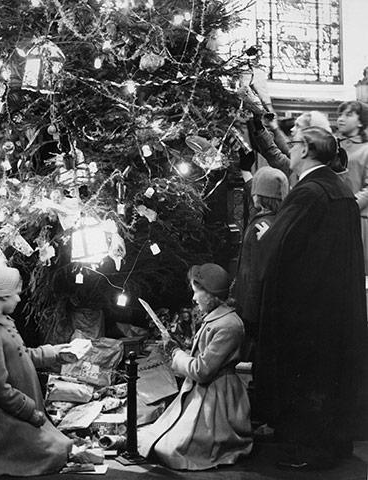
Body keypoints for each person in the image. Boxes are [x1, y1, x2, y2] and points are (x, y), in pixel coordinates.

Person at [256, 126, 368, 470]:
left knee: (305, 376)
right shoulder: (340, 188)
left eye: (293, 145)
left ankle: (307, 451)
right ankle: (334, 445)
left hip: (307, 307)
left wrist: (266, 235)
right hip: (335, 303)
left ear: (306, 149)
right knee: (331, 376)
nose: (288, 150)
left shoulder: (309, 192)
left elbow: (283, 243)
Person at [0, 266, 74, 476]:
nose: (19, 300)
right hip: (2, 420)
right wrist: (30, 412)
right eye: (16, 294)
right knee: (56, 452)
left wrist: (56, 353)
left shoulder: (2, 323)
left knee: (64, 446)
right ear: (2, 296)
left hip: (17, 413)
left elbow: (22, 355)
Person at [138, 263, 252, 470]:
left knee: (171, 449)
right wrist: (178, 348)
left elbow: (202, 371)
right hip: (203, 394)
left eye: (196, 291)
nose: (193, 298)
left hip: (217, 401)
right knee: (151, 437)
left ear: (211, 294)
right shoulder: (217, 320)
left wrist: (175, 353)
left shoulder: (229, 325)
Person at [235, 166, 288, 351]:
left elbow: (257, 272)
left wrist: (249, 314)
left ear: (260, 195)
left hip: (252, 306)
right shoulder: (277, 220)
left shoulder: (262, 226)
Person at [336, 100, 368, 272]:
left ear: (361, 121)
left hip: (359, 218)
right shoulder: (334, 147)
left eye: (348, 115)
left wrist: (350, 205)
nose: (341, 119)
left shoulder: (366, 149)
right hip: (334, 216)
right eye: (340, 114)